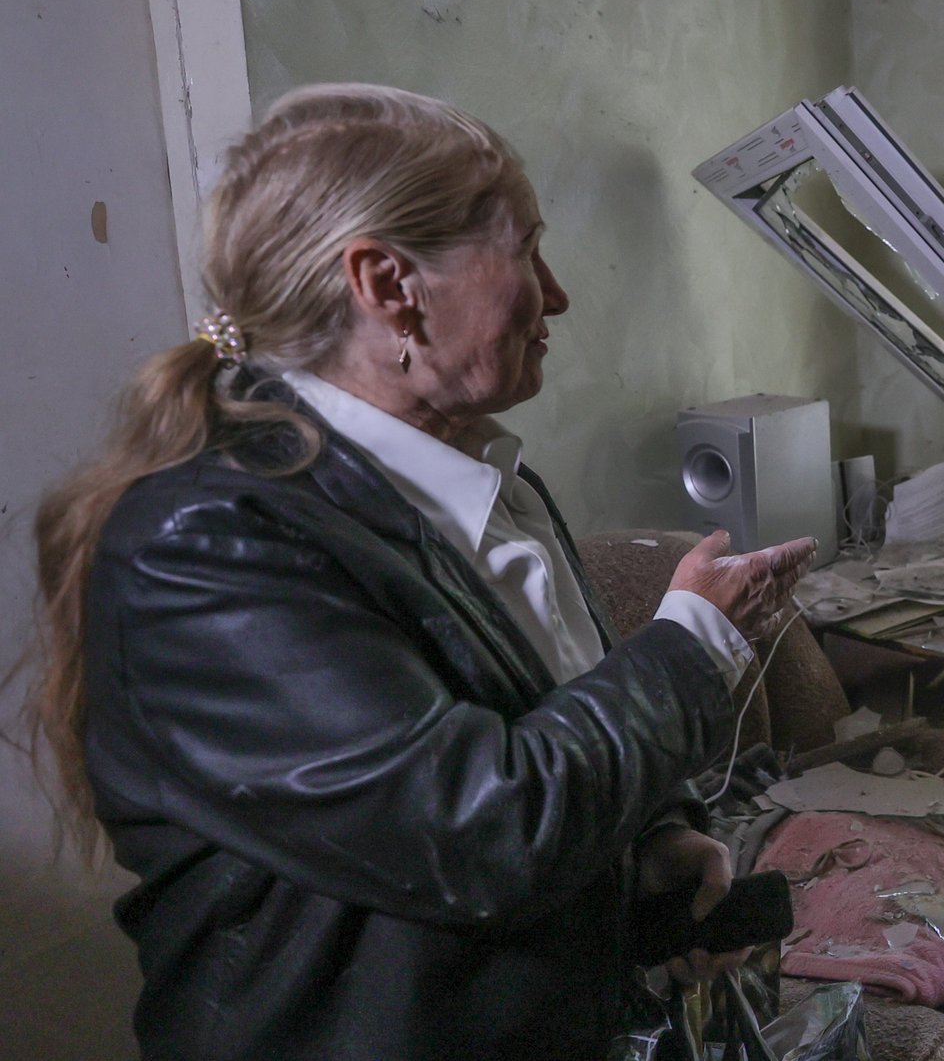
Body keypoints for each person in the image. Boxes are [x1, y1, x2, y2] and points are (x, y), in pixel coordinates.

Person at [22, 84, 816, 1061]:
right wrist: (693, 641)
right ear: (388, 284)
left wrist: (649, 835)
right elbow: (482, 827)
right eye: (525, 247)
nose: (556, 292)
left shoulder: (483, 480)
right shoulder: (208, 540)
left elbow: (532, 720)